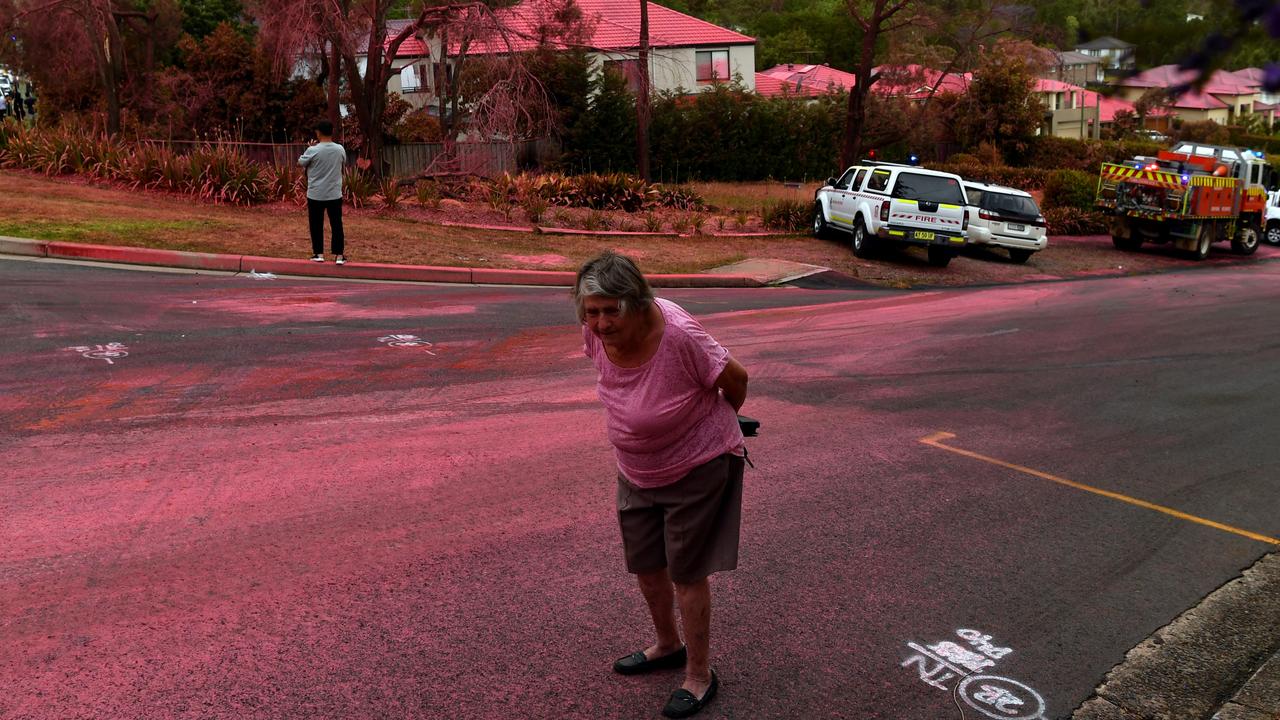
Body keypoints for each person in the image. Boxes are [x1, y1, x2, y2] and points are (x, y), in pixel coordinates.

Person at [575, 251, 749, 719]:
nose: (602, 323)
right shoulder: (594, 332)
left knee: (686, 573)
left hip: (696, 465)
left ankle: (699, 674)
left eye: (613, 310)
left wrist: (717, 418)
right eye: (592, 311)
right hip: (636, 468)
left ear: (638, 301)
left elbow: (735, 379)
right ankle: (666, 645)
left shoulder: (678, 335)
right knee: (646, 565)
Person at [297, 120, 346, 264]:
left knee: (316, 224)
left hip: (316, 194)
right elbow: (343, 164)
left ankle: (318, 253)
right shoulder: (340, 149)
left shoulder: (313, 150)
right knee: (336, 224)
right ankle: (339, 255)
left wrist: (310, 148)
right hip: (334, 193)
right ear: (332, 132)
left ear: (318, 132)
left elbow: (300, 162)